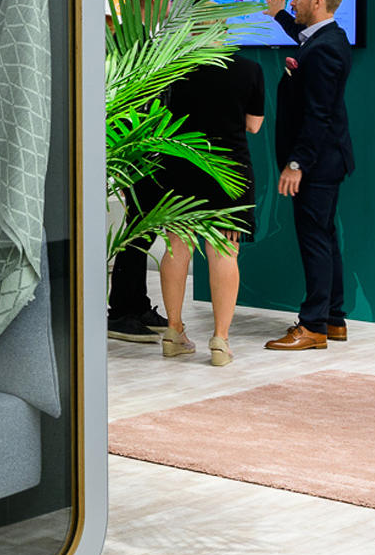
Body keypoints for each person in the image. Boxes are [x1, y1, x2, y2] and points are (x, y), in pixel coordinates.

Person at [107, 46, 265, 365]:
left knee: (177, 247)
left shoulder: (174, 66)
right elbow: (254, 125)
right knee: (224, 251)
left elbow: (155, 116)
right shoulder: (249, 69)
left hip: (180, 165)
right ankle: (220, 340)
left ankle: (174, 331)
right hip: (228, 170)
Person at [262, 0, 354, 352]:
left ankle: (313, 326)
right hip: (327, 160)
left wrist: (296, 163)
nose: (293, 1)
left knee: (315, 241)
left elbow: (319, 114)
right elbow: (302, 35)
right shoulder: (324, 39)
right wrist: (280, 16)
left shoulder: (324, 48)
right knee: (325, 238)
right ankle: (333, 318)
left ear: (318, 2)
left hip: (316, 163)